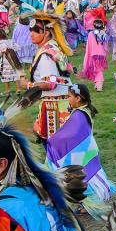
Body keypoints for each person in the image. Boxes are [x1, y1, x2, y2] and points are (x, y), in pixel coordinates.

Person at [45, 83, 116, 221]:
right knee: (86, 174)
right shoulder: (82, 111)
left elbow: (70, 134)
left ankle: (88, 202)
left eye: (69, 97)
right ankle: (86, 200)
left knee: (80, 175)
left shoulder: (79, 114)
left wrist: (53, 141)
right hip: (86, 150)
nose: (68, 99)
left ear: (78, 98)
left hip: (80, 151)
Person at [21, 14, 74, 144]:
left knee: (56, 146)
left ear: (46, 33)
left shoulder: (46, 55)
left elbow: (51, 84)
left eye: (36, 31)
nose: (31, 34)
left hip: (54, 107)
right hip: (62, 102)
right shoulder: (54, 48)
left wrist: (27, 85)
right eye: (31, 31)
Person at [78, 18, 110, 91]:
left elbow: (89, 45)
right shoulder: (103, 34)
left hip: (94, 54)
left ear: (94, 26)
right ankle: (97, 84)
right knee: (97, 69)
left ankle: (99, 86)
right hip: (102, 55)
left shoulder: (91, 34)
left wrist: (88, 55)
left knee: (97, 70)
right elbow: (105, 45)